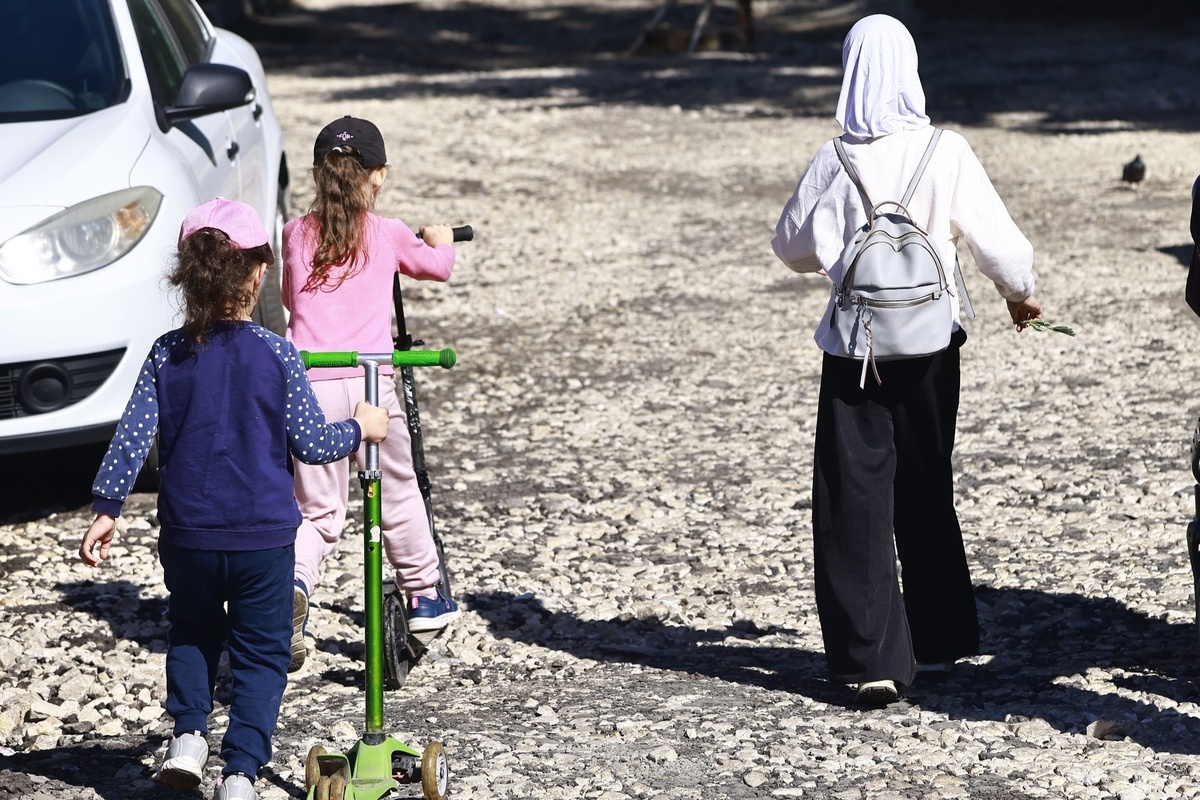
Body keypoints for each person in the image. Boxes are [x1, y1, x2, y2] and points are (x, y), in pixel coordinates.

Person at [770, 14, 1043, 707]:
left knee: (852, 495)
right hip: (931, 340)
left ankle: (869, 660)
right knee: (925, 480)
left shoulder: (836, 158)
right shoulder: (945, 149)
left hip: (857, 348)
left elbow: (790, 247)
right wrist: (1020, 296)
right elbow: (1001, 247)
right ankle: (940, 639)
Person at [78, 198, 390, 800]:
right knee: (262, 651)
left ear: (188, 276)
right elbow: (312, 443)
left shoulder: (165, 354)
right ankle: (241, 771)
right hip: (263, 538)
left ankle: (190, 740)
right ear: (258, 273)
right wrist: (361, 427)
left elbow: (133, 435)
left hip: (188, 535)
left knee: (192, 629)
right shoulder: (278, 354)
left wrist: (107, 507)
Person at [282, 115, 460, 672]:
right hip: (370, 387)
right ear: (377, 176)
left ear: (317, 173)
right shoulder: (385, 232)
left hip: (309, 384)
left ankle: (292, 587)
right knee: (398, 491)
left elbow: (292, 300)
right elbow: (437, 268)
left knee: (316, 512)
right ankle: (425, 595)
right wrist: (442, 239)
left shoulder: (293, 233)